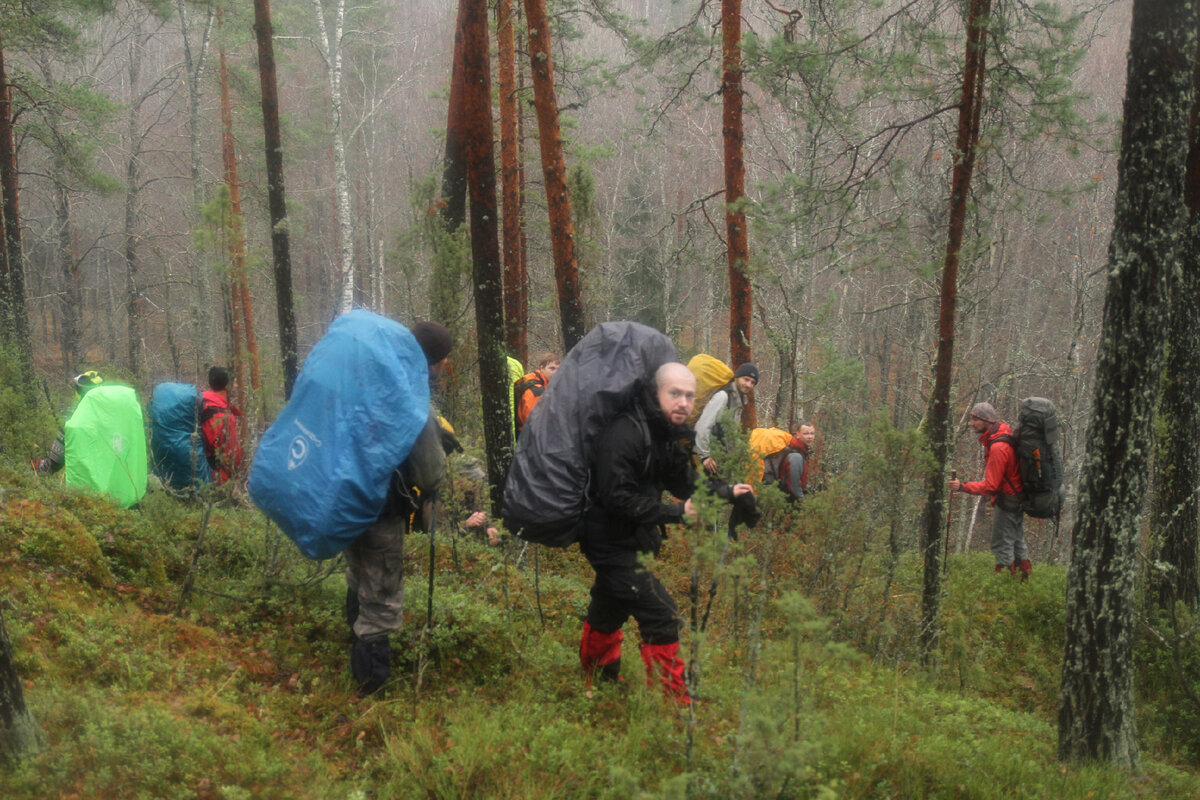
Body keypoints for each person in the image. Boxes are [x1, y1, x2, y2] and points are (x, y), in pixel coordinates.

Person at [578, 362, 754, 703]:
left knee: (609, 606)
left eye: (689, 395)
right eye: (674, 393)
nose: (684, 402)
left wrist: (728, 491)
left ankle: (598, 676)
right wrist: (676, 512)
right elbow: (616, 498)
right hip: (608, 540)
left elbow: (683, 481)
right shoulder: (624, 434)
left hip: (633, 538)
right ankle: (672, 703)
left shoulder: (660, 433)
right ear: (654, 393)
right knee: (661, 615)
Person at [344, 320, 450, 696]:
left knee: (358, 575)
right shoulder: (411, 393)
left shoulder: (368, 377)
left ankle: (352, 652)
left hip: (346, 497)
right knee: (382, 590)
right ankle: (371, 683)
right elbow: (431, 471)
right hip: (381, 506)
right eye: (441, 362)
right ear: (433, 361)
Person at [948, 402, 1029, 578]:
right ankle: (1024, 582)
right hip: (1018, 497)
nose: (972, 423)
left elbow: (992, 485)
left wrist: (963, 487)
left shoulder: (998, 447)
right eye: (971, 418)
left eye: (976, 419)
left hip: (1008, 500)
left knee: (1002, 543)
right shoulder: (1003, 433)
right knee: (1017, 540)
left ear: (987, 420)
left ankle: (1004, 584)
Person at [35, 371, 106, 474]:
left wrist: (35, 468)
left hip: (85, 486)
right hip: (123, 484)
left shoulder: (73, 424)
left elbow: (53, 464)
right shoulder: (119, 417)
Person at [694, 362, 758, 475]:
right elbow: (703, 426)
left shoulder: (738, 401)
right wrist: (705, 456)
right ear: (737, 378)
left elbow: (730, 433)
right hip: (708, 460)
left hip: (720, 460)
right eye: (746, 379)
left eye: (752, 382)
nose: (749, 385)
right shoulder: (723, 396)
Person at [200, 366, 244, 484]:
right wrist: (236, 478)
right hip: (217, 477)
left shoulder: (203, 401)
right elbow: (232, 456)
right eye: (234, 382)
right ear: (226, 386)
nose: (236, 386)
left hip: (202, 467)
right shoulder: (224, 417)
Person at [514, 352, 561, 436]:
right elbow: (535, 423)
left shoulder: (535, 381)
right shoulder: (536, 391)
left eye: (558, 369)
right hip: (529, 438)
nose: (555, 373)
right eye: (552, 368)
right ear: (542, 368)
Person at [780, 422, 816, 502]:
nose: (810, 437)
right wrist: (803, 502)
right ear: (798, 435)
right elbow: (794, 485)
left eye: (812, 433)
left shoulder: (802, 452)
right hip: (786, 500)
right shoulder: (796, 456)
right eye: (806, 434)